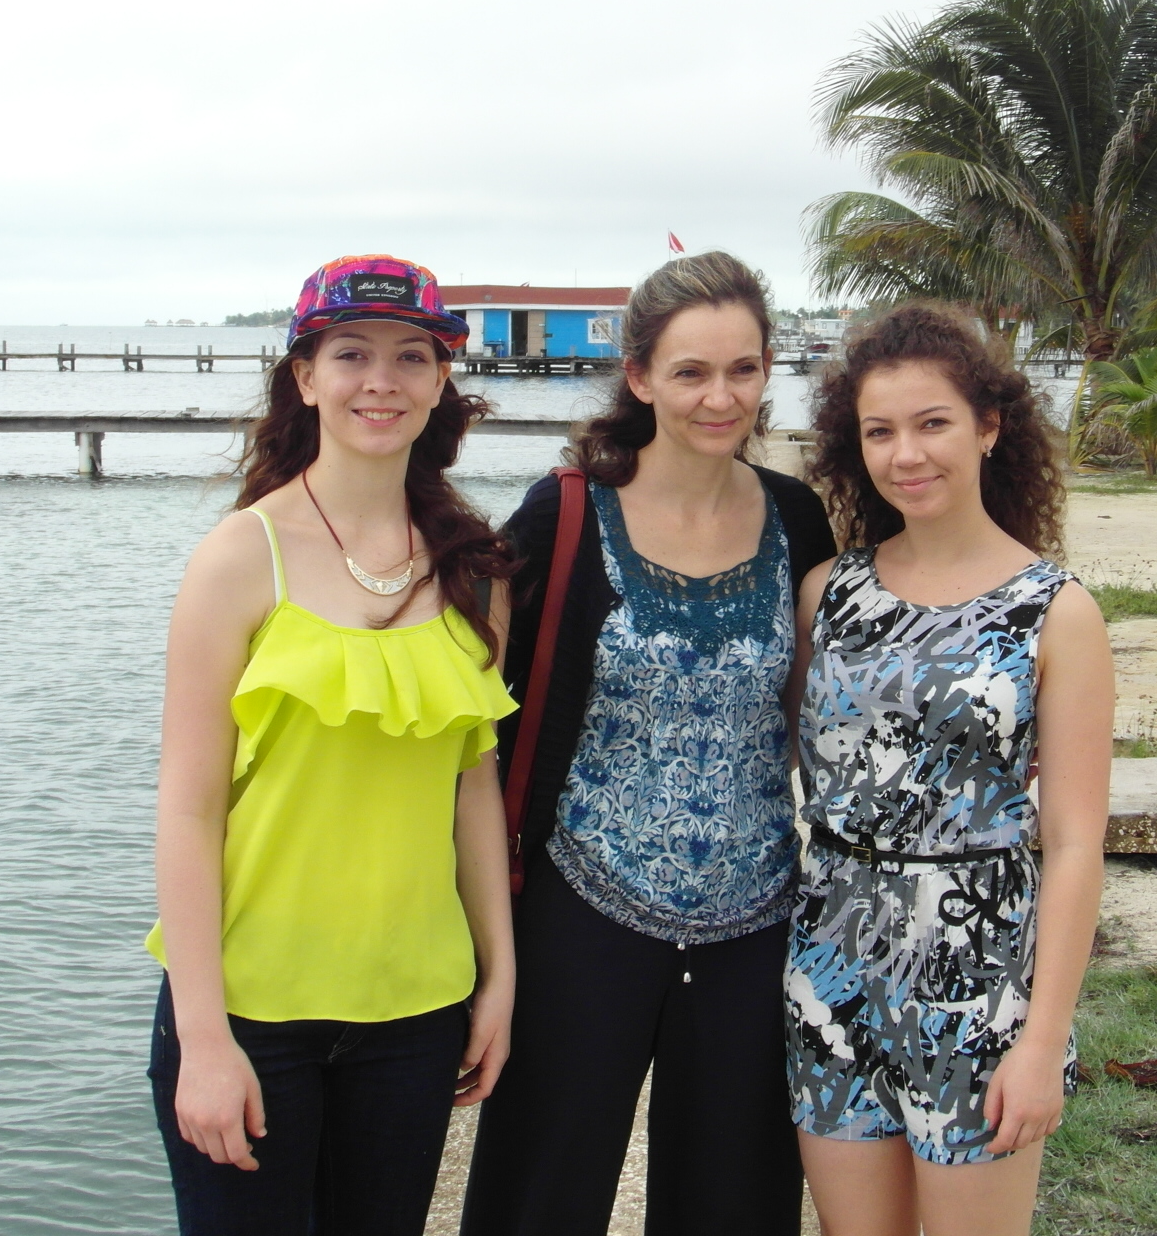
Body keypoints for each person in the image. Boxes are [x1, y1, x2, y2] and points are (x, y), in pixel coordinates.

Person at [461, 251, 836, 1236]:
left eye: (744, 369)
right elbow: (468, 698)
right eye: (691, 372)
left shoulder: (798, 518)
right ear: (639, 377)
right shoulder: (566, 512)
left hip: (757, 921)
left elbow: (825, 704)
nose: (722, 397)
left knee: (738, 1206)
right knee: (538, 1198)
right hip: (581, 910)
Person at [145, 254, 518, 1236]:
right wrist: (203, 1039)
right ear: (305, 377)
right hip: (251, 1011)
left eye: (410, 357)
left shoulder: (475, 571)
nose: (379, 381)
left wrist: (499, 976)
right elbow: (187, 809)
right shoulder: (240, 557)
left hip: (415, 1013)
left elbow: (471, 789)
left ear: (441, 380)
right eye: (351, 354)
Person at [787, 304, 1113, 1236]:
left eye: (933, 423)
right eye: (879, 432)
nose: (906, 455)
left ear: (989, 426)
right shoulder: (827, 593)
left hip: (981, 978)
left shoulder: (1055, 612)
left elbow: (1076, 843)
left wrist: (1042, 1042)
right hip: (829, 966)